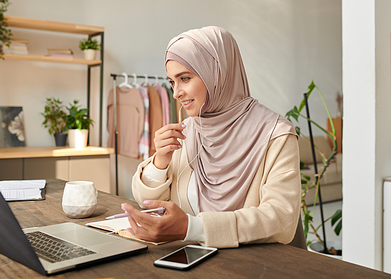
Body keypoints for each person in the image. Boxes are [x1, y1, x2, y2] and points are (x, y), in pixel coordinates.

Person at [122, 26, 300, 248]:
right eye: (172, 82)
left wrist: (192, 228)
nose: (176, 92)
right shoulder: (187, 130)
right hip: (190, 262)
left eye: (184, 78)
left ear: (216, 74)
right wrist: (160, 161)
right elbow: (146, 202)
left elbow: (282, 219)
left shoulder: (276, 134)